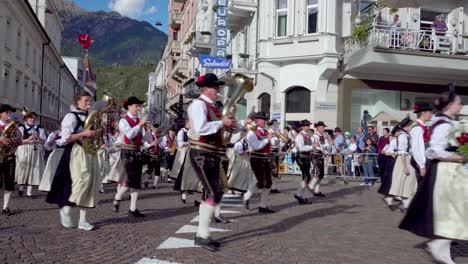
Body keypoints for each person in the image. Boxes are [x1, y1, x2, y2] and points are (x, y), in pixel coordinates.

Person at [400, 90, 465, 264]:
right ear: (450, 105)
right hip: (446, 171)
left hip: (453, 171)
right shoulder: (442, 124)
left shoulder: (449, 123)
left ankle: (441, 245)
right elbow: (433, 151)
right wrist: (461, 156)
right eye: (459, 102)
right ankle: (440, 244)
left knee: (454, 209)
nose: (461, 105)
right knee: (451, 209)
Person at [188, 73, 244, 251]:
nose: (218, 90)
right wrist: (222, 123)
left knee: (213, 193)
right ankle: (202, 235)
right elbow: (201, 128)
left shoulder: (215, 106)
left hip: (212, 153)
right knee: (214, 192)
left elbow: (224, 131)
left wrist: (239, 124)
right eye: (215, 87)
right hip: (201, 152)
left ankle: (202, 234)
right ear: (205, 88)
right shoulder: (198, 104)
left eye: (217, 87)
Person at [46, 91, 100, 231]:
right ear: (77, 102)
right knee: (80, 182)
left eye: (90, 101)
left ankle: (83, 220)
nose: (88, 103)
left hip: (89, 152)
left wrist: (97, 133)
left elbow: (93, 134)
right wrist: (84, 133)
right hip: (75, 152)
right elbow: (65, 138)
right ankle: (66, 208)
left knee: (89, 184)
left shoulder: (91, 116)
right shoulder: (71, 116)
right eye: (86, 101)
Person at [112, 96, 150, 218]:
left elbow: (144, 139)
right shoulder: (123, 120)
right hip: (127, 152)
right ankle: (117, 198)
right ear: (129, 106)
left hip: (137, 152)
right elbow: (129, 134)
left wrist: (147, 129)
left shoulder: (138, 120)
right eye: (136, 106)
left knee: (136, 181)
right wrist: (140, 124)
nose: (138, 108)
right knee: (129, 179)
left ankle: (132, 209)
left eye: (139, 106)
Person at [244, 112, 275, 213]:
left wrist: (275, 137)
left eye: (265, 120)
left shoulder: (266, 132)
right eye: (263, 120)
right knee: (261, 182)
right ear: (257, 121)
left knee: (268, 183)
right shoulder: (251, 132)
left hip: (266, 158)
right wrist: (268, 139)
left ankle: (263, 205)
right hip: (257, 158)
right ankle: (246, 196)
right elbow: (257, 146)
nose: (265, 121)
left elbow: (273, 144)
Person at [388, 117, 416, 212]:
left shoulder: (406, 135)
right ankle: (403, 204)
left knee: (406, 184)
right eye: (411, 125)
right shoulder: (403, 136)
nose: (412, 127)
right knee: (404, 182)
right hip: (404, 160)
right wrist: (405, 167)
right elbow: (403, 152)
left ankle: (404, 205)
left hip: (406, 159)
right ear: (407, 125)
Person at [16, 111, 46, 198]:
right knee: (24, 169)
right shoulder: (21, 127)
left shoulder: (39, 128)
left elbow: (43, 142)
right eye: (30, 117)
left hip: (35, 149)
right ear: (26, 119)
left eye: (34, 118)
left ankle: (29, 192)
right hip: (24, 149)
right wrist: (29, 138)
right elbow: (19, 141)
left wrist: (38, 137)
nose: (32, 119)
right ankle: (21, 187)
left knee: (34, 170)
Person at [0, 104, 18, 215]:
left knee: (9, 182)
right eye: (7, 112)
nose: (9, 114)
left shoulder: (14, 127)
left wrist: (15, 141)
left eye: (10, 113)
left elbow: (19, 141)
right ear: (0, 114)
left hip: (10, 157)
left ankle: (5, 207)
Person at [410, 103, 433, 184]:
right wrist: (422, 165)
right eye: (430, 112)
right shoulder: (418, 128)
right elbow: (416, 148)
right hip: (420, 160)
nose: (431, 114)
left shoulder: (421, 126)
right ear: (423, 113)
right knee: (422, 187)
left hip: (421, 159)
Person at [293, 119, 314, 204]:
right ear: (303, 127)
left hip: (306, 157)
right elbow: (301, 148)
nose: (308, 127)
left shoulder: (307, 135)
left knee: (306, 177)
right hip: (301, 157)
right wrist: (312, 147)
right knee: (307, 177)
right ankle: (299, 194)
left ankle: (300, 195)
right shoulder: (300, 136)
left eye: (308, 125)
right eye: (306, 125)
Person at [171, 120, 190, 202]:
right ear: (186, 123)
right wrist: (189, 143)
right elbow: (180, 144)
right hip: (183, 154)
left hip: (189, 154)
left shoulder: (191, 132)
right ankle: (183, 194)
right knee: (183, 175)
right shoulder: (181, 132)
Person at [308, 121, 329, 197]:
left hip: (320, 155)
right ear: (318, 127)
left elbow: (324, 145)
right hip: (316, 155)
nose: (323, 129)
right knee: (318, 173)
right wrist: (325, 149)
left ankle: (316, 191)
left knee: (321, 174)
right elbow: (317, 146)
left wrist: (326, 150)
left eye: (323, 127)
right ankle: (310, 185)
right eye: (322, 127)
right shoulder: (315, 136)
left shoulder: (322, 136)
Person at [269, 119, 281, 193]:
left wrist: (278, 135)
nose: (276, 125)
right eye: (275, 124)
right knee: (271, 170)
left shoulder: (277, 132)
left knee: (276, 171)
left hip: (276, 152)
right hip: (270, 152)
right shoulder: (268, 132)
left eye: (277, 124)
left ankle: (274, 187)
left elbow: (279, 144)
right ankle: (269, 186)